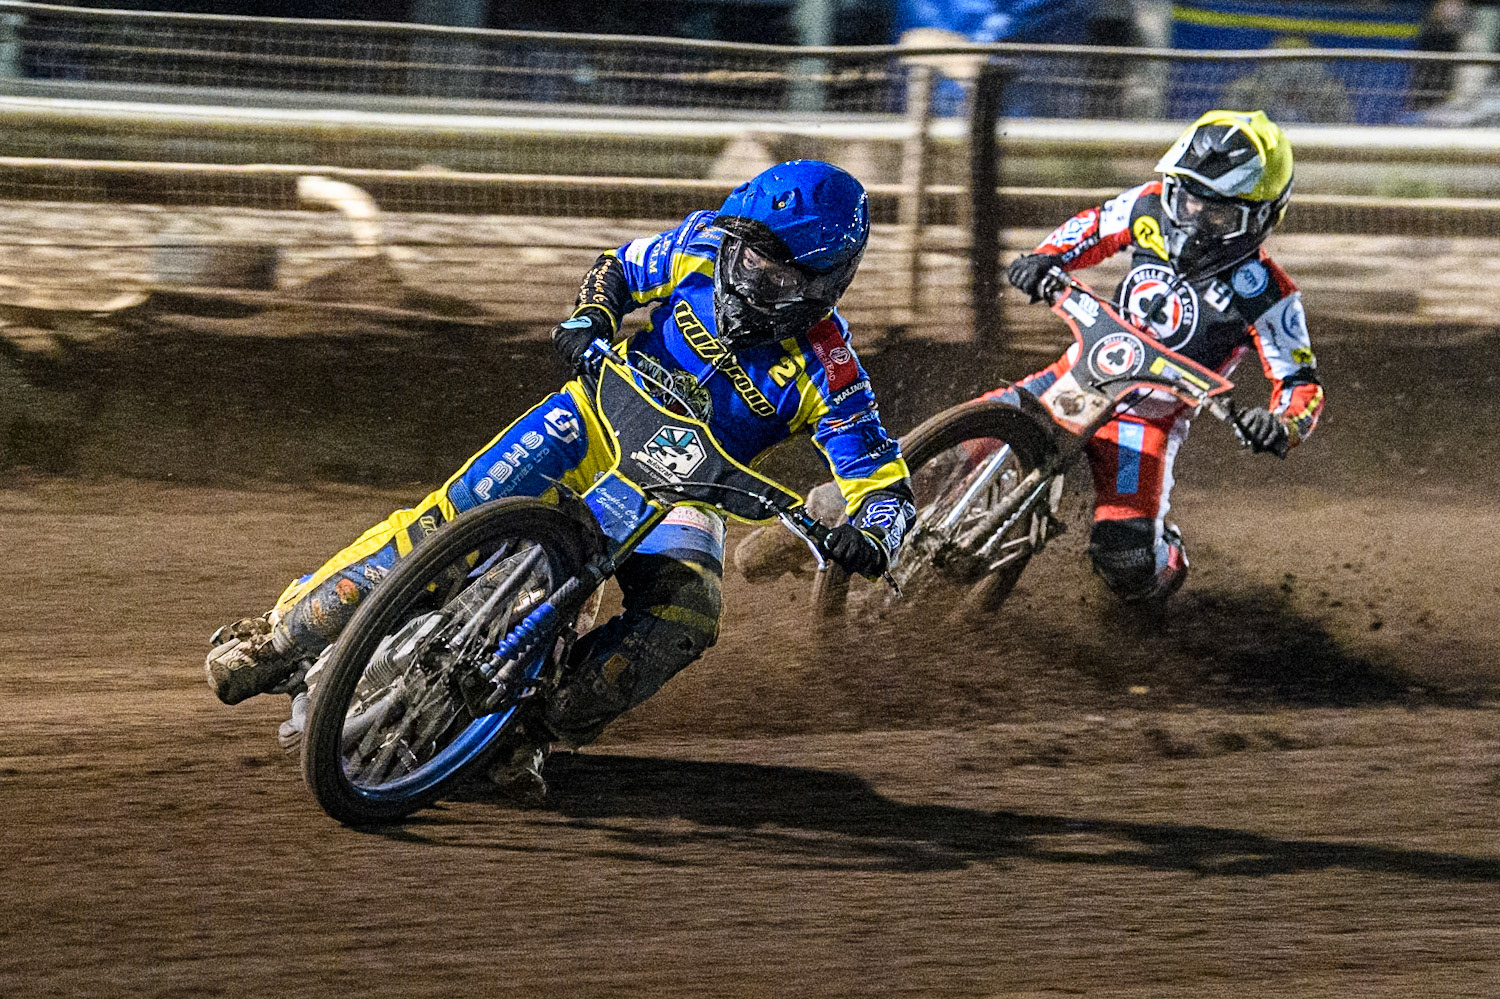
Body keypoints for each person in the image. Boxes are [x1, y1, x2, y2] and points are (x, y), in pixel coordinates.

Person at [204, 160, 915, 797]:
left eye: (771, 273)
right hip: (595, 417)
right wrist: (590, 317)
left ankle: (526, 730)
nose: (744, 274)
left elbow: (881, 478)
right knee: (439, 523)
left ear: (823, 285)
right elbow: (620, 269)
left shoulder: (832, 368)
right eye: (744, 252)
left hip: (685, 490)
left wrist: (873, 534)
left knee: (688, 617)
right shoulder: (702, 244)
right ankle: (278, 636)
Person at [996, 108, 1323, 603]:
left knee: (1123, 560)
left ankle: (1165, 557)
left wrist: (1280, 424)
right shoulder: (1152, 208)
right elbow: (1095, 226)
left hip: (1142, 426)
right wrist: (1047, 257)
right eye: (1186, 200)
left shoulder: (1269, 294)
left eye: (1216, 214)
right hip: (1080, 380)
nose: (1192, 221)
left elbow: (1301, 383)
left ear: (1261, 218)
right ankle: (878, 497)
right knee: (983, 429)